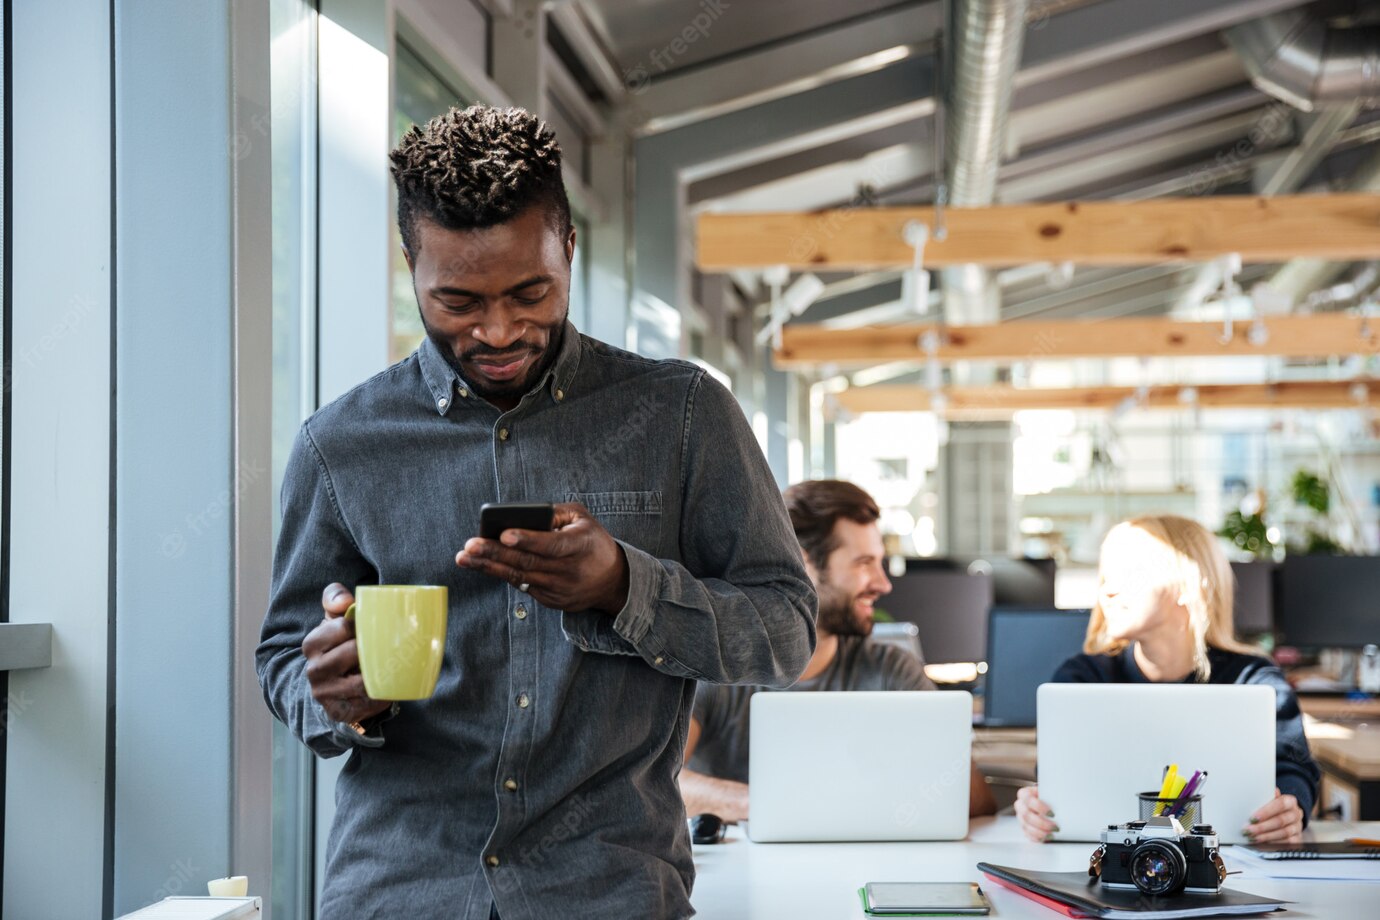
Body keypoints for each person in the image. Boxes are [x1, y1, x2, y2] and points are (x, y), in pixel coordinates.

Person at [256, 105, 817, 920]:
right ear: (409, 263)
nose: (497, 330)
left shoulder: (683, 414)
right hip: (399, 893)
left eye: (531, 292)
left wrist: (627, 585)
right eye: (456, 300)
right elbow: (283, 652)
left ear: (570, 251)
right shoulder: (340, 444)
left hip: (610, 893)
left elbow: (787, 635)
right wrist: (329, 693)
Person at [681, 479, 997, 821]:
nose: (883, 583)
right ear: (802, 566)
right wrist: (774, 804)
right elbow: (660, 782)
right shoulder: (720, 666)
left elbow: (974, 801)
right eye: (864, 562)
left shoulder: (891, 668)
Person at [1015, 514, 1321, 845]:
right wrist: (1035, 806)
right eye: (1104, 578)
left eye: (1128, 576)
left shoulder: (1254, 680)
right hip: (1096, 859)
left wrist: (1292, 808)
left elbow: (1295, 769)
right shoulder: (1080, 680)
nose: (1108, 592)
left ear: (1187, 585)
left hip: (1234, 862)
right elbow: (1055, 778)